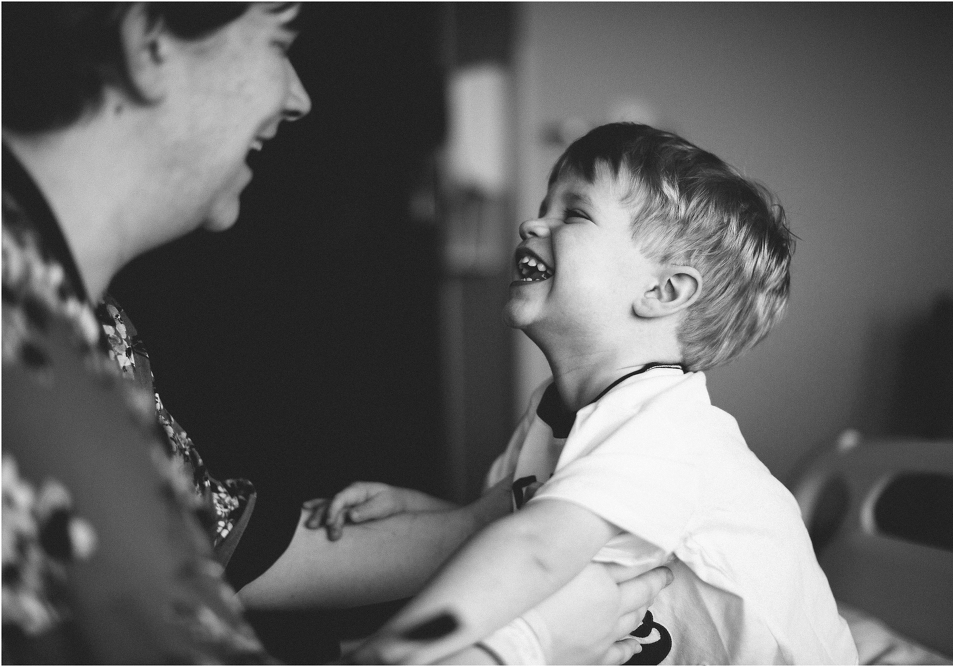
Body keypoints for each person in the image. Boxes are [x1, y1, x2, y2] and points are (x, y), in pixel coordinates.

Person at [1, 4, 668, 663]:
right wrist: (518, 646)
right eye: (278, 39)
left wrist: (472, 526)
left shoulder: (85, 317)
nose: (300, 96)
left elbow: (211, 541)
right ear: (149, 44)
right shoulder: (22, 344)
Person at [311, 123, 859, 664]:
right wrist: (421, 514)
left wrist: (393, 654)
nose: (531, 222)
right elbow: (508, 527)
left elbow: (535, 551)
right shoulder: (553, 411)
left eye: (573, 213)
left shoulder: (671, 432)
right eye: (544, 206)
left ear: (663, 291)